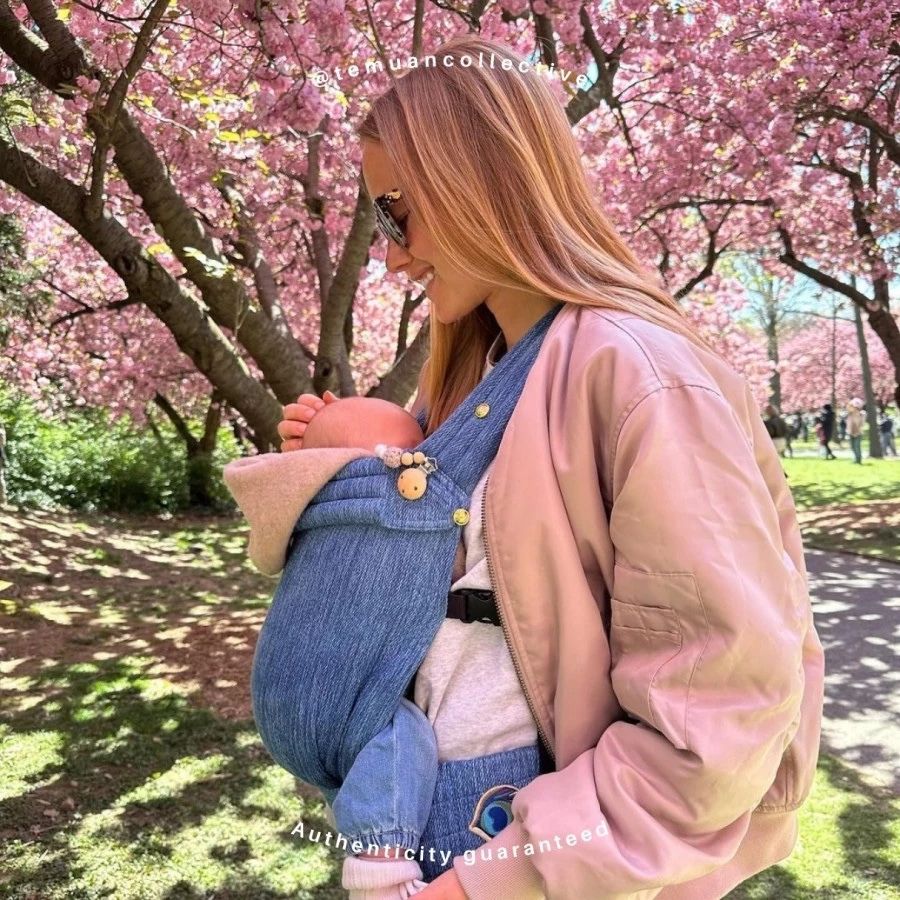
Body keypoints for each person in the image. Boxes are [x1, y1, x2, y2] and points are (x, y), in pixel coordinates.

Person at [269, 35, 824, 899]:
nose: (391, 255)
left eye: (395, 213)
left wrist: (485, 885)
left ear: (476, 179)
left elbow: (714, 723)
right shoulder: (479, 385)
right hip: (443, 838)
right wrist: (338, 468)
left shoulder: (640, 377)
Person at [846, 398, 865, 464]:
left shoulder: (861, 414)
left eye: (854, 407)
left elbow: (861, 424)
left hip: (858, 433)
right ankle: (856, 459)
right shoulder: (850, 414)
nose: (853, 408)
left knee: (857, 447)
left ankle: (858, 460)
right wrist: (851, 403)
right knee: (852, 447)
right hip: (850, 432)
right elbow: (848, 407)